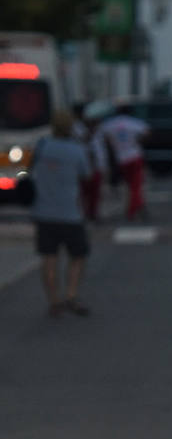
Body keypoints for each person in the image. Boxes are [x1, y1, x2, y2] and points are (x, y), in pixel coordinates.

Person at [29, 109, 93, 318]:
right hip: (70, 212)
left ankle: (53, 301)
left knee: (49, 257)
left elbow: (27, 169)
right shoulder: (77, 150)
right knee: (78, 255)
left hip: (44, 211)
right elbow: (87, 175)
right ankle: (72, 294)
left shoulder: (42, 146)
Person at [93, 105, 149, 220]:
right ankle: (133, 208)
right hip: (134, 155)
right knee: (136, 184)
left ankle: (137, 206)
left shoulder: (110, 124)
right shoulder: (133, 122)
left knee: (130, 184)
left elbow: (103, 135)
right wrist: (136, 141)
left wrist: (113, 145)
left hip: (121, 158)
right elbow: (147, 132)